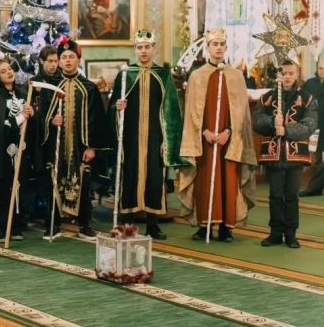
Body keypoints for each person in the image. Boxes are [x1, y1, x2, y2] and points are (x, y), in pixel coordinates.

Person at [178, 29, 257, 242]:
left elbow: (242, 112)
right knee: (204, 180)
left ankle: (225, 227)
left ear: (226, 47)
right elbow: (191, 111)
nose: (219, 48)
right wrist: (204, 131)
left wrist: (228, 131)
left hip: (228, 140)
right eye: (215, 44)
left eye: (222, 44)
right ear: (208, 48)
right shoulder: (197, 76)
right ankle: (203, 225)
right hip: (204, 140)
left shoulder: (236, 76)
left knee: (228, 181)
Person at [109, 30, 185, 240]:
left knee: (154, 179)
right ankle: (127, 225)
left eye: (147, 47)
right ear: (135, 49)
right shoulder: (126, 74)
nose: (143, 51)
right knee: (129, 177)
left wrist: (167, 140)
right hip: (130, 138)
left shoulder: (163, 75)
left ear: (153, 48)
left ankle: (153, 225)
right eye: (140, 47)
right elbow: (113, 108)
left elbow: (171, 111)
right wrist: (117, 108)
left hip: (155, 137)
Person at [44, 39, 107, 238]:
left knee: (84, 183)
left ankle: (84, 224)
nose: (67, 61)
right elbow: (42, 115)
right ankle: (53, 224)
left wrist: (92, 147)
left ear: (79, 59)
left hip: (81, 146)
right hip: (58, 145)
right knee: (54, 181)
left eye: (71, 57)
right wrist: (51, 121)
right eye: (64, 57)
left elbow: (97, 119)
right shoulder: (52, 86)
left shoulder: (89, 88)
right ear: (59, 61)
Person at [253, 60, 317, 248]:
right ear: (278, 75)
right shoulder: (267, 98)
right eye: (284, 73)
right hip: (273, 154)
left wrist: (286, 130)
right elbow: (257, 121)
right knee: (275, 195)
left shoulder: (307, 99)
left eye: (291, 73)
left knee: (291, 196)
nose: (287, 77)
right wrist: (272, 121)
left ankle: (290, 234)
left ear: (297, 74)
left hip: (295, 156)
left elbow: (309, 125)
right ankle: (275, 233)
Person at [0, 59, 33, 242]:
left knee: (20, 186)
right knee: (2, 189)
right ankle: (1, 227)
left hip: (21, 149)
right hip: (2, 151)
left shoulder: (22, 93)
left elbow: (30, 120)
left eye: (10, 69)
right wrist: (20, 117)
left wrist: (32, 114)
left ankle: (16, 225)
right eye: (3, 71)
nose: (9, 72)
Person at [29, 46, 63, 239]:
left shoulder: (62, 81)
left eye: (55, 61)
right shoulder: (35, 83)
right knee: (45, 180)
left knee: (57, 178)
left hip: (60, 137)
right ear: (42, 62)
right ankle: (47, 219)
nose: (53, 65)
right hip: (40, 138)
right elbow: (32, 110)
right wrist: (45, 120)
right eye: (49, 61)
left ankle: (56, 220)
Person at [299, 60, 324, 197]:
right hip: (315, 126)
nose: (322, 71)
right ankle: (315, 188)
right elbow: (302, 100)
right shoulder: (309, 83)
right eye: (320, 68)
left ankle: (315, 187)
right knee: (317, 158)